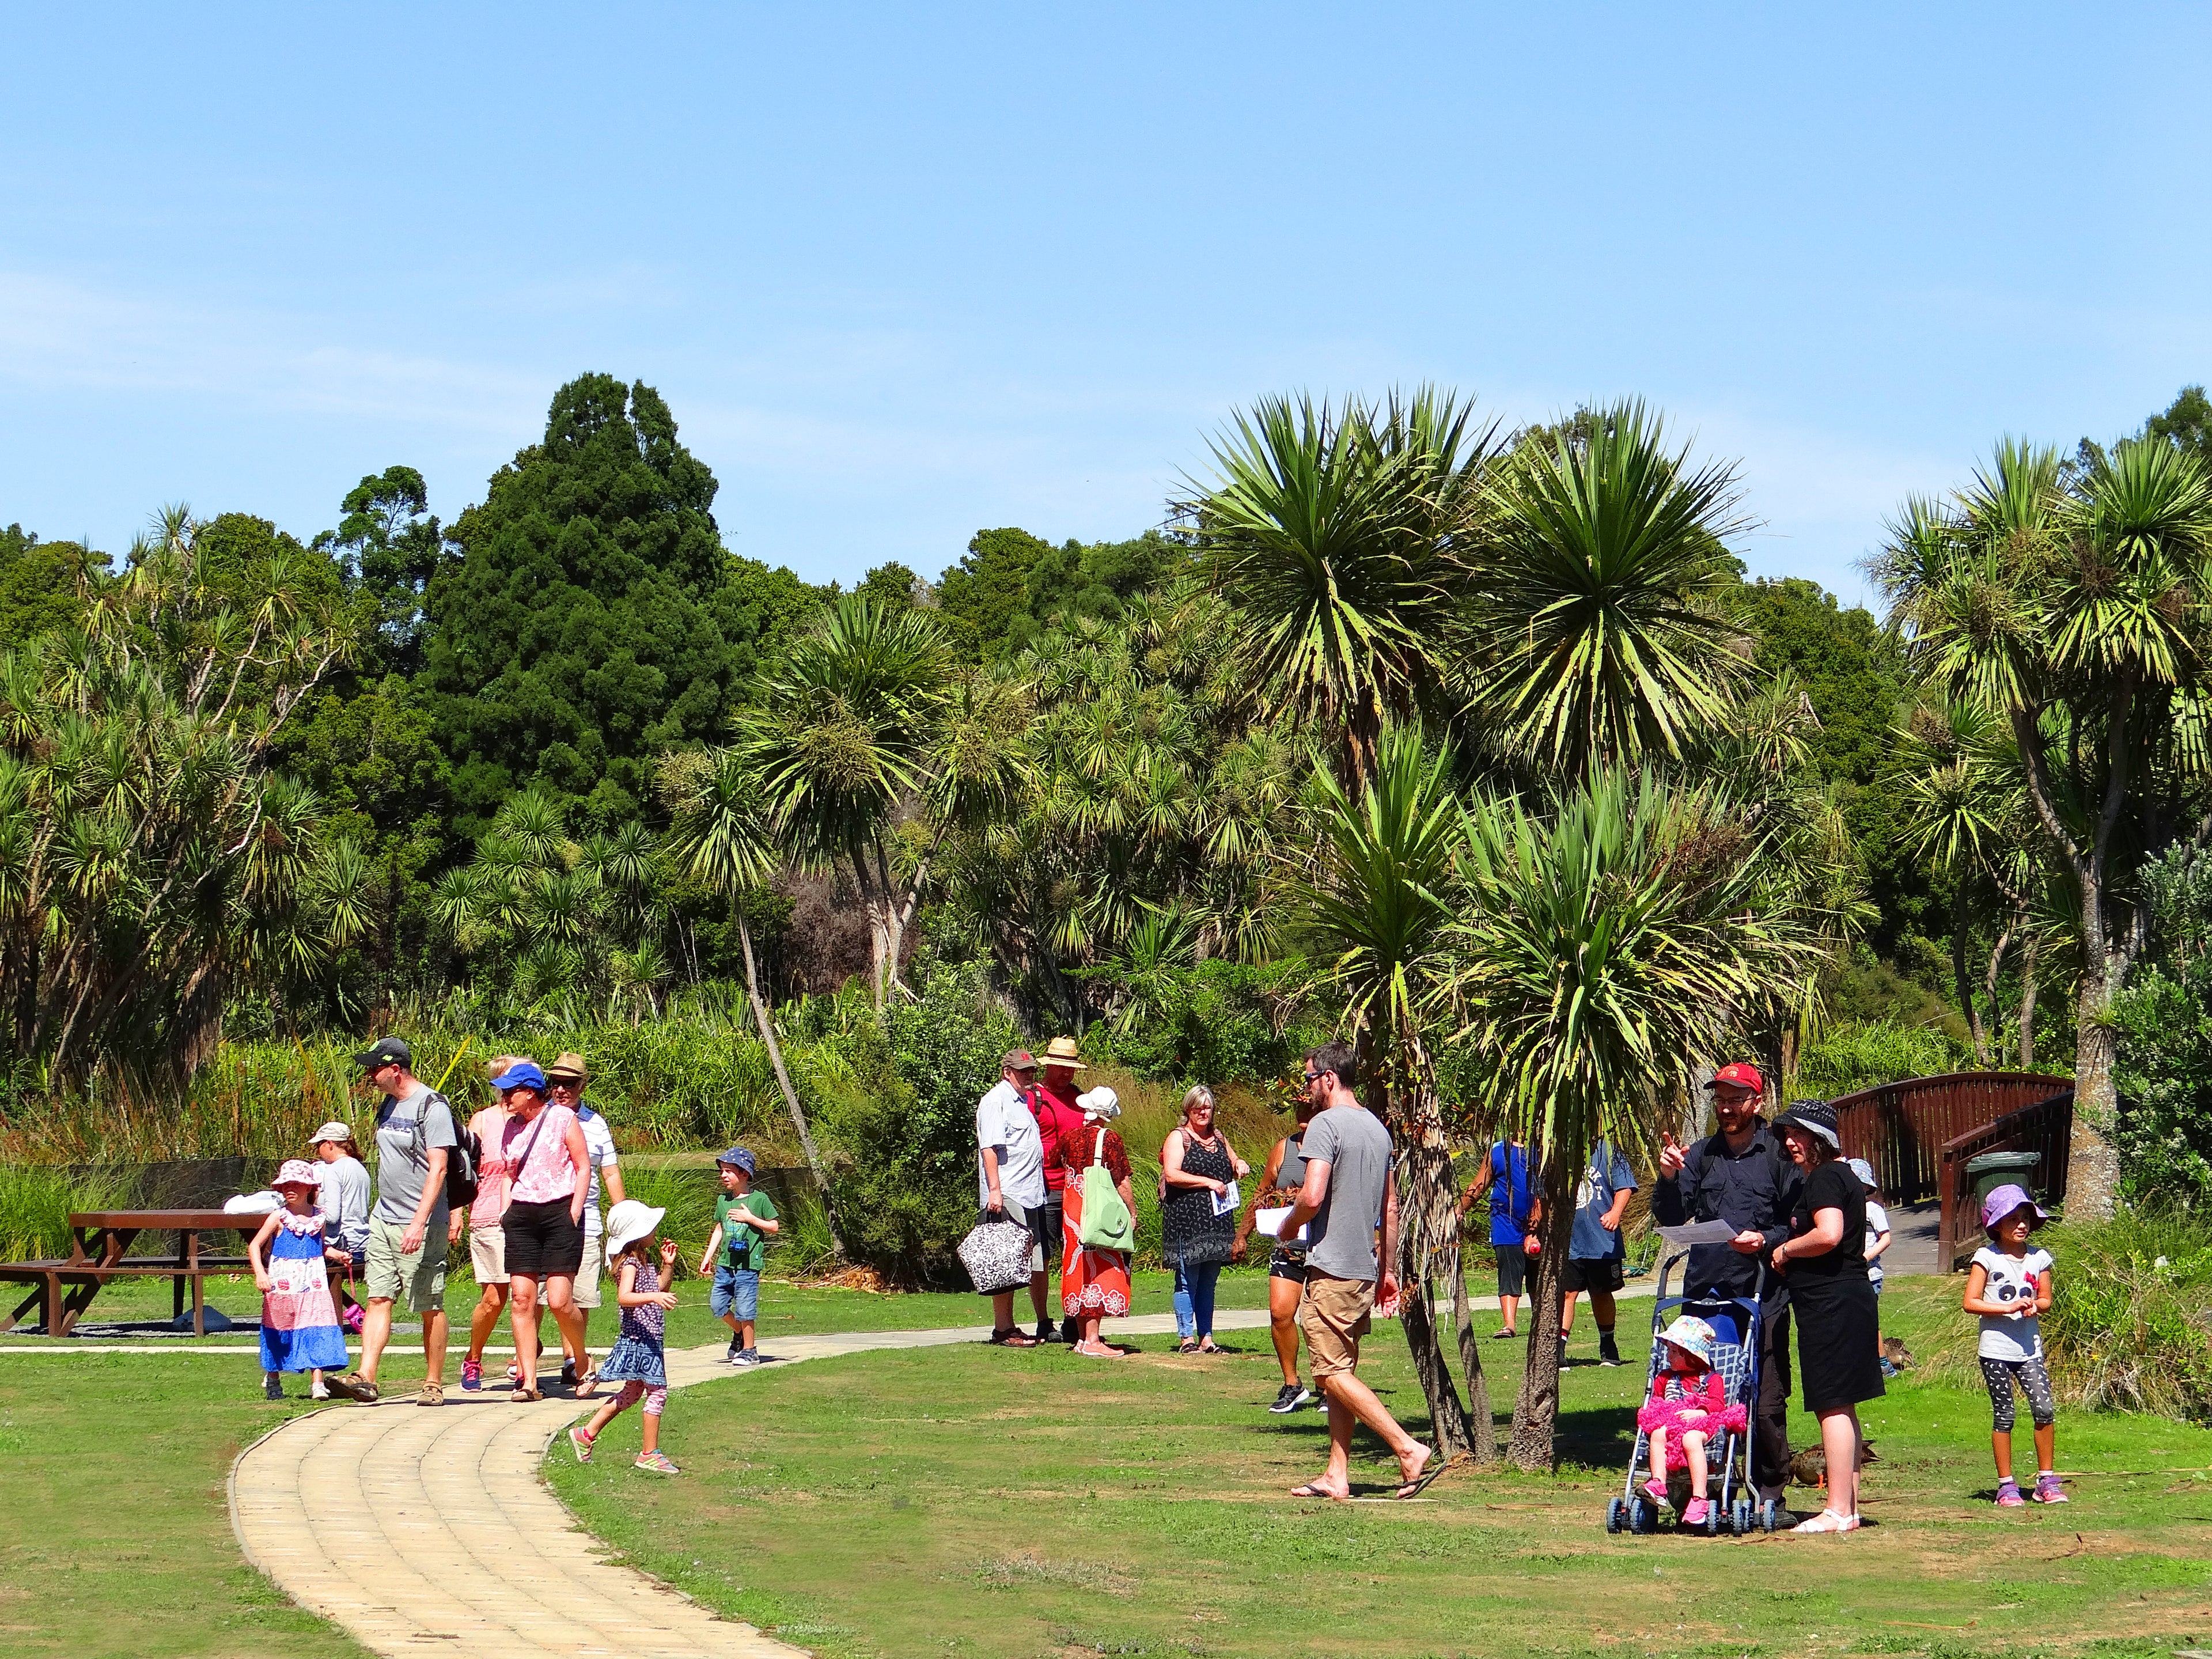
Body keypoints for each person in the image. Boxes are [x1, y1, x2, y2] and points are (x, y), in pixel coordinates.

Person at [1278, 1041, 1434, 1502]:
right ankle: (1336, 1473)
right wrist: (1387, 1271)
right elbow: (1390, 1205)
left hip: (1331, 1267)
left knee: (1328, 1376)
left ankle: (1406, 1448)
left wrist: (1286, 1227)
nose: (1306, 1089)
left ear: (1329, 1078)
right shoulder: (1377, 1129)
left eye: (1309, 1079)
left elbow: (1311, 1196)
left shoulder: (1325, 1125)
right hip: (1364, 1270)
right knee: (1340, 1369)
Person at [1652, 1060, 1801, 1512]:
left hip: (1763, 1290)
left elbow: (1798, 1219)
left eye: (1736, 1099)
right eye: (1720, 1099)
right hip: (1704, 1293)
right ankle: (1703, 1486)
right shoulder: (1701, 1153)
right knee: (1696, 1392)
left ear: (1757, 1102)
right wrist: (1669, 1177)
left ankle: (1768, 1491)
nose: (1727, 1108)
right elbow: (1672, 1216)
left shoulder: (1777, 1153)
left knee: (1766, 1398)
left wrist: (1768, 1239)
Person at [1770, 1098, 1883, 1534]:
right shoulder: (1844, 1176)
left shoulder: (1824, 1178)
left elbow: (1829, 1234)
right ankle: (1849, 1509)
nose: (1791, 1141)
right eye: (1788, 1134)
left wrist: (1784, 1250)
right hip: (1848, 1299)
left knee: (1832, 1404)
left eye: (1800, 1134)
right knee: (1843, 1406)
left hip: (1831, 1303)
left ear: (1822, 1139)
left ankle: (1835, 1509)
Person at [337, 1037, 455, 1407]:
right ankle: (366, 1376)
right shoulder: (388, 1106)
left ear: (395, 1069)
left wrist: (419, 1223)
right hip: (384, 1218)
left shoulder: (433, 1107)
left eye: (375, 1068)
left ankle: (433, 1382)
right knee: (378, 1297)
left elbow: (439, 1169)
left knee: (428, 1303)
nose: (370, 1075)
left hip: (420, 1222)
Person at [494, 1058, 593, 1402]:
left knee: (559, 1301)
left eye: (511, 1091)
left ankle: (582, 1361)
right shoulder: (510, 1127)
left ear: (531, 1092)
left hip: (559, 1212)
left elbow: (583, 1167)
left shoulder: (562, 1118)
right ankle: (529, 1382)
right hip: (522, 1215)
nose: (505, 1097)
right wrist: (506, 1211)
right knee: (521, 1299)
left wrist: (574, 1211)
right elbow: (509, 1174)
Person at [1964, 1184, 2064, 1507]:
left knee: (2044, 1409)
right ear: (1997, 1225)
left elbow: (2046, 1298)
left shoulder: (2040, 1258)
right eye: (2012, 1219)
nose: (2021, 1225)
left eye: (2025, 1218)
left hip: (2029, 1348)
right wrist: (2006, 1308)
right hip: (1995, 1349)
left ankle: (2046, 1480)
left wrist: (2037, 1305)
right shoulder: (1986, 1257)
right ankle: (2006, 1485)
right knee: (2005, 1413)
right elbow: (1970, 1302)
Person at [568, 1199, 682, 1475]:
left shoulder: (644, 1261)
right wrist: (655, 1296)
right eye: (650, 1227)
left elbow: (658, 1286)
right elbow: (625, 1297)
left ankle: (587, 1433)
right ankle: (649, 1453)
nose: (655, 1231)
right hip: (639, 1339)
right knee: (658, 1392)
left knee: (632, 1393)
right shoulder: (630, 1263)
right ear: (637, 1233)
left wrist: (668, 1267)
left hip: (649, 1338)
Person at [1235, 1091, 1321, 1414]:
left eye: (1309, 1108)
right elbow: (1262, 1193)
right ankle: (1292, 1384)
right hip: (1288, 1246)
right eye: (1298, 1108)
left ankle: (1329, 1386)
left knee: (1320, 1322)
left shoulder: (1332, 1146)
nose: (1302, 1114)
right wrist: (1241, 1235)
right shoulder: (1283, 1149)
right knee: (1281, 1314)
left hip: (1323, 1247)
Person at [544, 1052, 624, 1386]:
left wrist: (623, 1225)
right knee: (536, 1296)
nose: (561, 1090)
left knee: (580, 1295)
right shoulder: (540, 1117)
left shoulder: (595, 1123)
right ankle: (529, 1362)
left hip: (586, 1221)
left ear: (582, 1085)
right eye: (556, 1083)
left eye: (570, 1084)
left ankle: (572, 1358)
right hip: (545, 1218)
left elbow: (609, 1173)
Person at [249, 1159, 351, 1400]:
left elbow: (320, 1246)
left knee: (317, 1327)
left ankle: (317, 1383)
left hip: (314, 1283)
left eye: (296, 1185)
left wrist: (338, 1255)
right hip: (283, 1285)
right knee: (279, 1330)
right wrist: (261, 1274)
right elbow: (255, 1246)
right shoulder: (279, 1217)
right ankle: (273, 1379)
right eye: (285, 1185)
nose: (289, 1190)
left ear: (309, 1188)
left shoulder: (320, 1218)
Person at [1160, 1085, 1249, 1354]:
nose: (1203, 1112)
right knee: (1188, 1280)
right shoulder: (1179, 1137)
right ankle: (1186, 1338)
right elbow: (1172, 1174)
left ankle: (1206, 1337)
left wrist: (1239, 1164)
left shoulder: (1218, 1137)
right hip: (1187, 1221)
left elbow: (1233, 1160)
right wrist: (1208, 1182)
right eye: (1198, 1107)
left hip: (1217, 1220)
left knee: (1209, 1281)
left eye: (1207, 1107)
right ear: (1188, 1109)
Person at [1636, 1315, 1746, 1529]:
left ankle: (1699, 1498)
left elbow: (1717, 1405)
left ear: (1691, 1356)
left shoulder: (1711, 1380)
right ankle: (1658, 1483)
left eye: (1674, 1352)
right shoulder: (1664, 1378)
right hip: (1672, 1422)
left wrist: (1701, 1412)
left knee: (1691, 1439)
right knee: (1658, 1433)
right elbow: (1658, 1402)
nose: (1668, 1355)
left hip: (1702, 1425)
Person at [456, 1056, 522, 1392]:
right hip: (489, 1215)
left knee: (528, 1297)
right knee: (495, 1298)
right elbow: (463, 1171)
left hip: (531, 1215)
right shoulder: (483, 1120)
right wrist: (456, 1213)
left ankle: (525, 1362)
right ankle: (473, 1357)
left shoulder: (539, 1120)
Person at [976, 1047, 1048, 1346]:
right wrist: (995, 1191)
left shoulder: (1022, 1101)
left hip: (1031, 1194)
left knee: (1029, 1262)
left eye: (1031, 1070)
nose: (1029, 1075)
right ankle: (1003, 1328)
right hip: (1008, 1196)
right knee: (1005, 1263)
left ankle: (1014, 1327)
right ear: (1008, 1072)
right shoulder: (995, 1101)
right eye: (1023, 1071)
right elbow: (989, 1148)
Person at [1056, 1085, 1137, 1358]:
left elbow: (1055, 1159)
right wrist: (1132, 1212)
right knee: (1099, 1270)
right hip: (1098, 1212)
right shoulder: (1110, 1140)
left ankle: (1083, 1337)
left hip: (1073, 1211)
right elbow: (1122, 1180)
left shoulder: (1070, 1137)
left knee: (1078, 1269)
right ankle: (1092, 1340)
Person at [1556, 1137, 1637, 1367]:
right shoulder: (1560, 1144)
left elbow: (1625, 1186)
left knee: (1601, 1293)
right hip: (1569, 1240)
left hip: (1602, 1241)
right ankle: (1559, 1350)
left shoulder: (1609, 1150)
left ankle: (1608, 1345)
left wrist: (1615, 1213)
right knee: (1567, 1293)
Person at [1028, 1037, 1087, 1343]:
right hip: (1044, 1186)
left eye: (1071, 1068)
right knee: (1043, 1255)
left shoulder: (1080, 1099)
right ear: (1048, 1066)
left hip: (1077, 1187)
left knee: (1075, 1252)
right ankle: (1042, 1320)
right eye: (1062, 1068)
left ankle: (1072, 1317)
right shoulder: (1034, 1097)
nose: (1067, 1073)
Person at [698, 1146, 779, 1366]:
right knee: (718, 1305)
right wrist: (708, 1257)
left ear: (744, 1173)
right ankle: (740, 1334)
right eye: (722, 1171)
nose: (723, 1176)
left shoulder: (759, 1199)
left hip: (748, 1266)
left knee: (745, 1308)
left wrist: (750, 1218)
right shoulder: (723, 1201)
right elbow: (720, 1229)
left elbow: (773, 1227)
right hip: (726, 1265)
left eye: (729, 1171)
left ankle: (750, 1351)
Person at [1456, 1137, 1538, 1338]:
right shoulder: (1497, 1150)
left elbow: (1545, 1190)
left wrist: (1535, 1228)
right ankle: (1509, 1325)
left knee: (1538, 1277)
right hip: (1505, 1223)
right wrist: (1458, 1211)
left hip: (1537, 1223)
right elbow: (1479, 1184)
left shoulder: (1542, 1147)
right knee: (1509, 1273)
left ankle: (1541, 1323)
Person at [308, 1122, 370, 1327]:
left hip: (343, 1245)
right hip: (362, 1242)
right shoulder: (360, 1168)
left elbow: (333, 1216)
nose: (318, 1151)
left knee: (299, 1263)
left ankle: (342, 1315)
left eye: (319, 1145)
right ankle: (354, 1312)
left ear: (330, 1144)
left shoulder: (334, 1171)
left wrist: (311, 1213)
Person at [1848, 1158, 1896, 1377]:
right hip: (1850, 1274)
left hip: (1870, 1274)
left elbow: (1885, 1239)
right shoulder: (1844, 1209)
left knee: (1868, 1321)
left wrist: (1866, 1257)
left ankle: (1883, 1364)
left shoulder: (1872, 1209)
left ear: (1867, 1187)